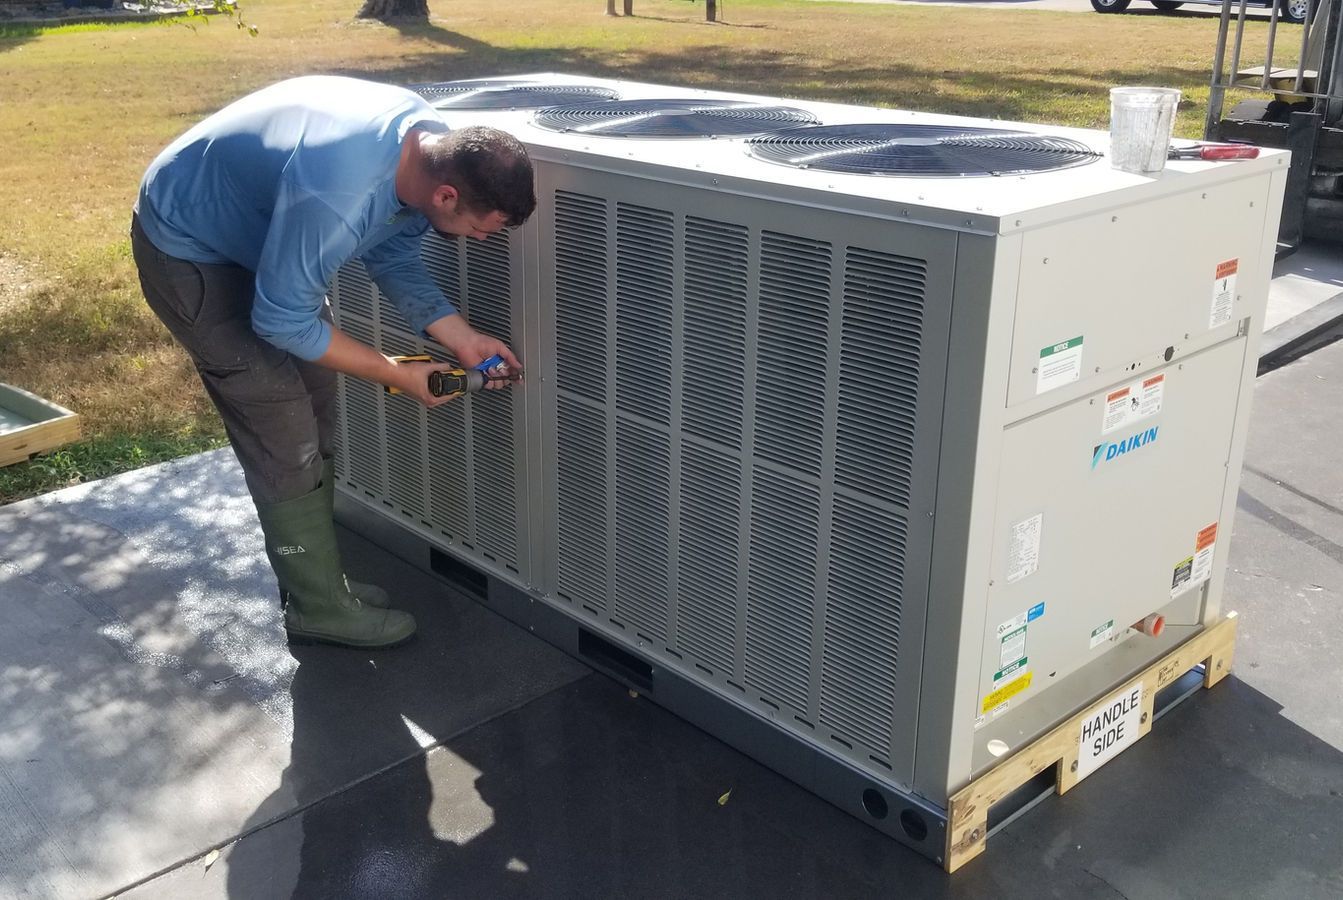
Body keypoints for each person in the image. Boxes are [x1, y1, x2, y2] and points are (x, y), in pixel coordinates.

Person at [131, 75, 536, 650]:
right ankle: (318, 608)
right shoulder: (340, 192)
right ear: (447, 195)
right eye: (477, 228)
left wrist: (462, 336)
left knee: (317, 395)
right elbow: (281, 321)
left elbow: (391, 247)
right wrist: (397, 373)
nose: (475, 240)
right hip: (190, 243)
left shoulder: (428, 148)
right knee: (280, 424)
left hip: (262, 229)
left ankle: (317, 584)